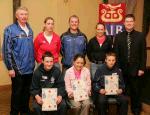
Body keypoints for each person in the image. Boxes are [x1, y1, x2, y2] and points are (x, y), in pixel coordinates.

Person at [2, 6, 35, 115]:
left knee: (26, 93)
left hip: (29, 68)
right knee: (17, 94)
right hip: (17, 69)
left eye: (26, 14)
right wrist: (10, 68)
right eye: (21, 14)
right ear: (17, 16)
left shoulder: (30, 29)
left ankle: (25, 111)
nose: (24, 16)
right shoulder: (10, 29)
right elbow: (7, 50)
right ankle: (14, 112)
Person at [114, 14, 147, 115]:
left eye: (131, 21)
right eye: (127, 21)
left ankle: (136, 110)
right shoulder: (118, 36)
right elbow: (116, 54)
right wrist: (117, 68)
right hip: (121, 69)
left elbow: (143, 54)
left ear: (134, 23)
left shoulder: (140, 36)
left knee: (135, 91)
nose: (129, 23)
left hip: (136, 69)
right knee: (121, 91)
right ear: (124, 23)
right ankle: (121, 110)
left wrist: (142, 68)